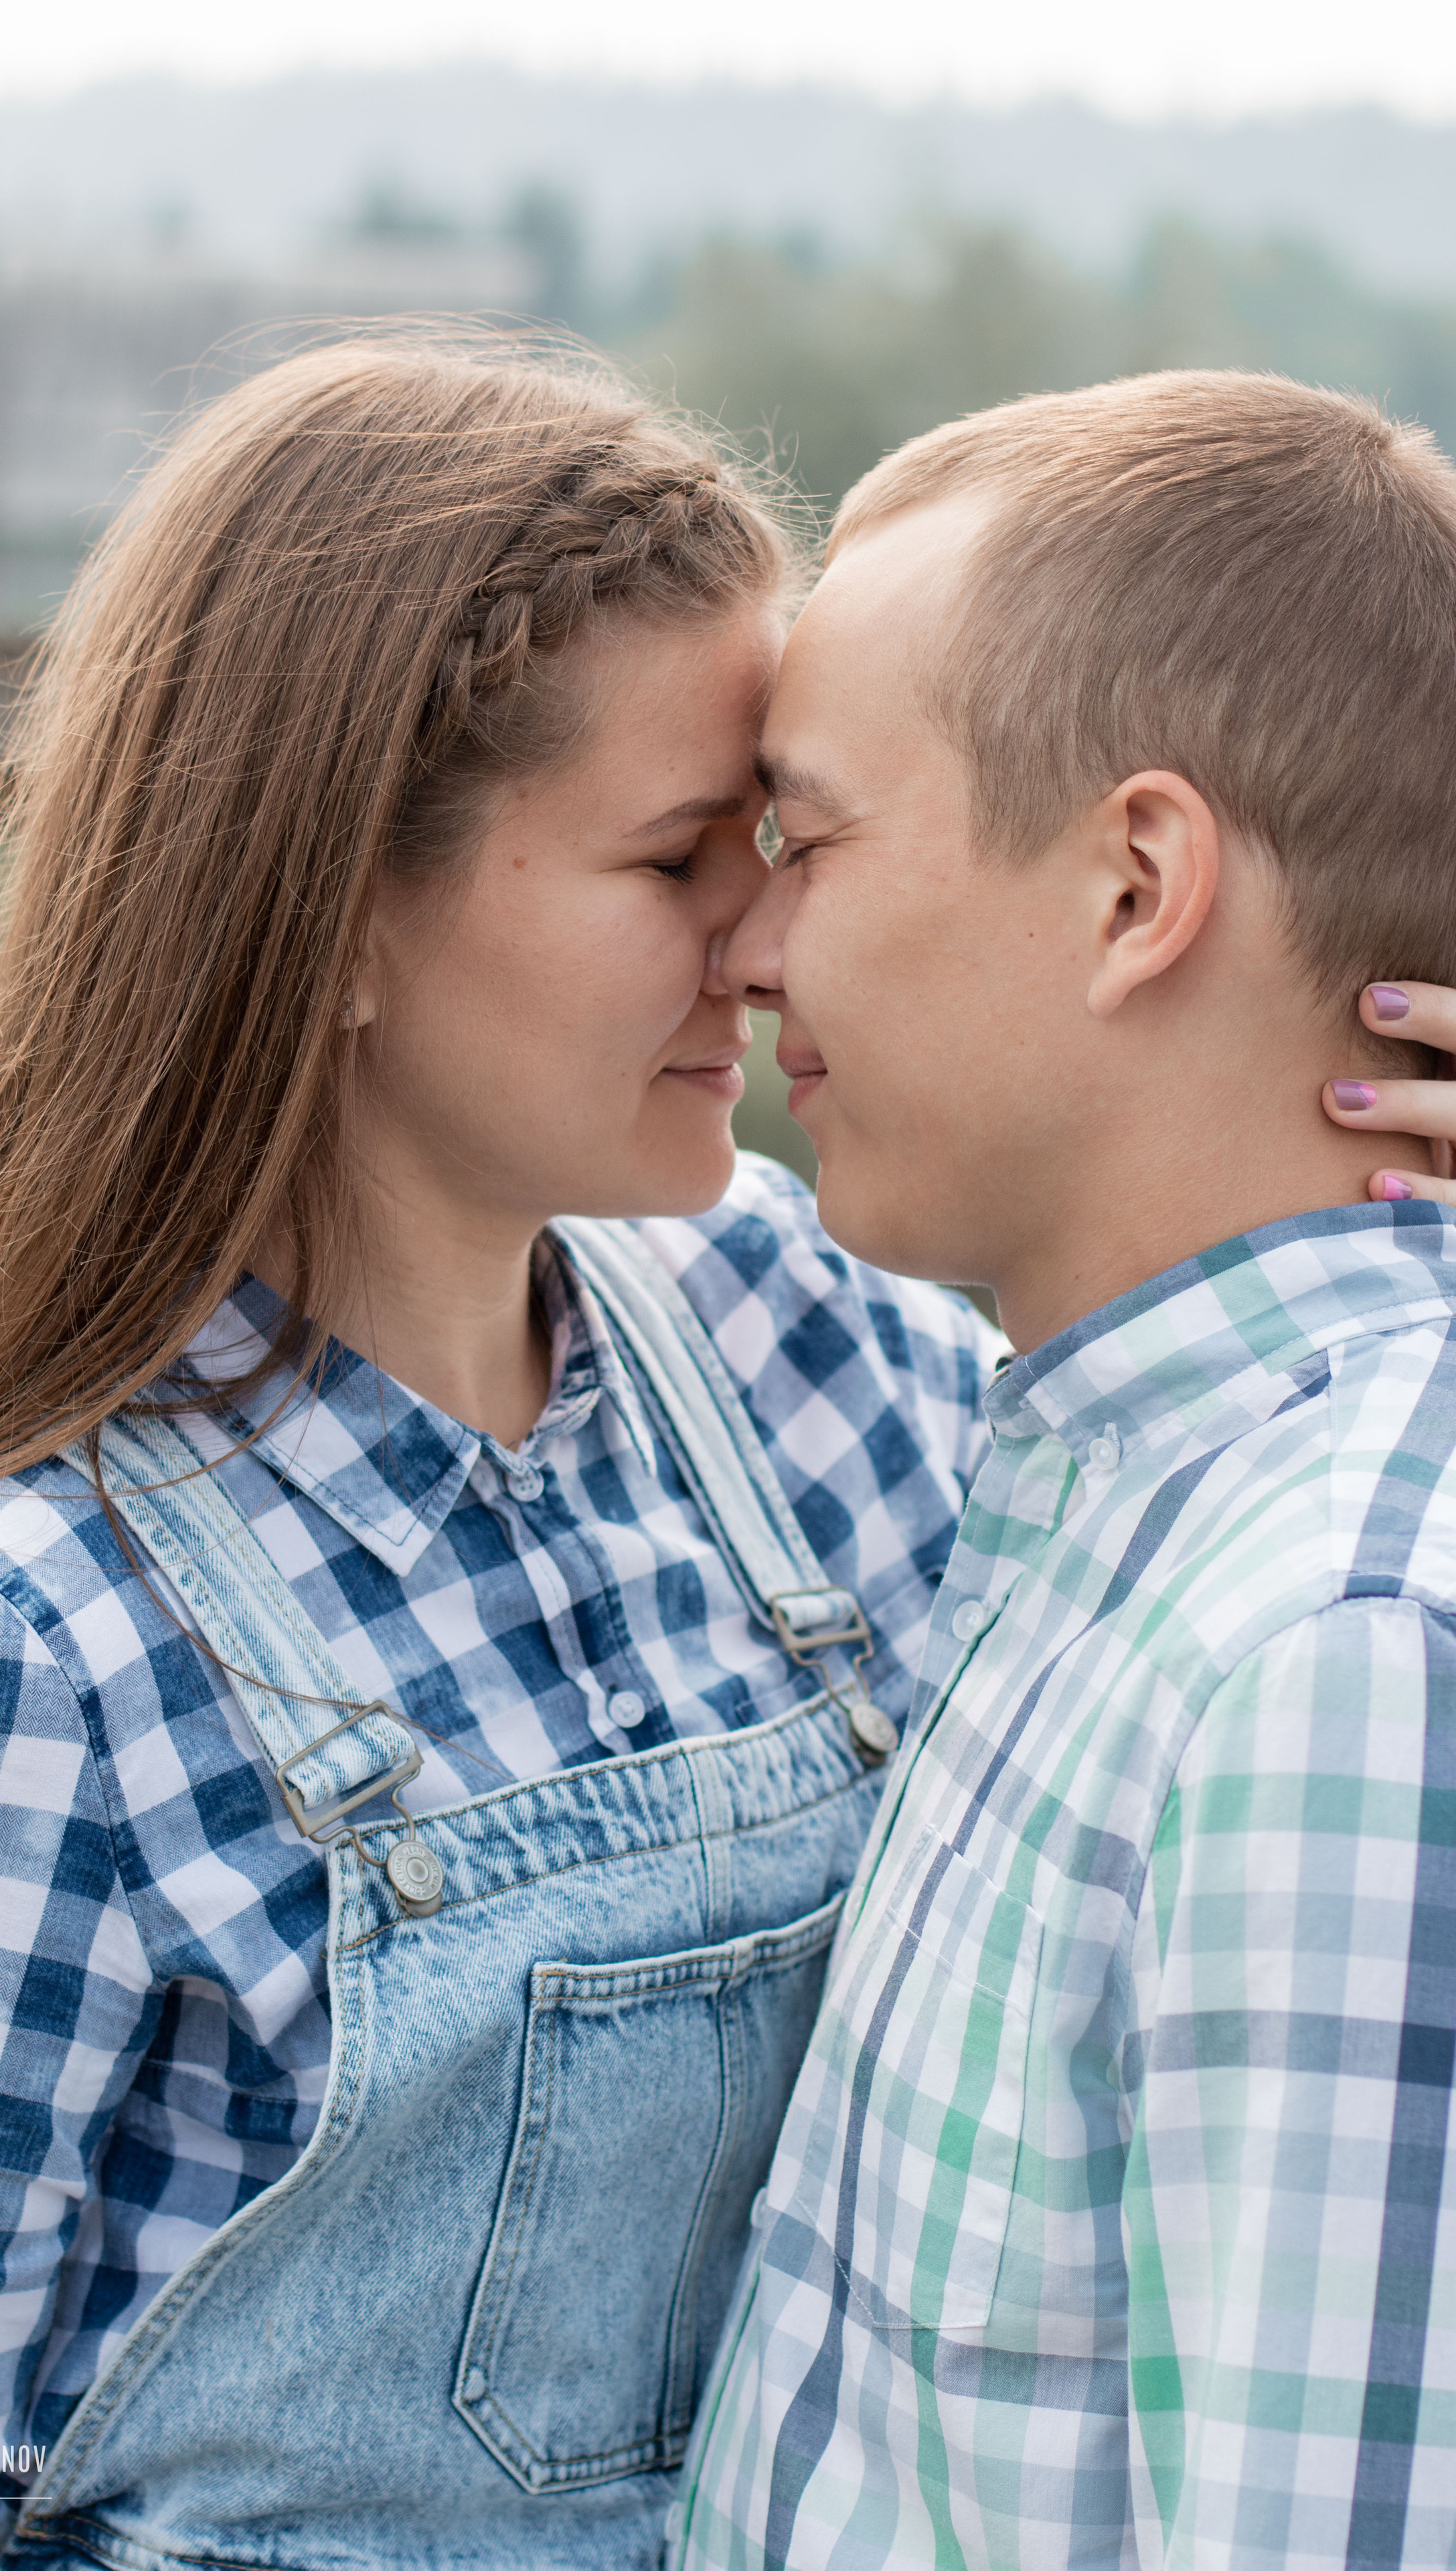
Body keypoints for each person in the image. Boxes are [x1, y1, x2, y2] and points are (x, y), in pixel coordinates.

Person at [0, 335, 1005, 2571]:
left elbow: (1250, 1588)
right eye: (677, 860)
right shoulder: (5, 1668)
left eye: (785, 845)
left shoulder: (798, 1337)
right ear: (329, 911)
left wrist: (1356, 1197)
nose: (775, 939)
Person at [671, 371, 1456, 2570]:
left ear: (1135, 886)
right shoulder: (1100, 1496)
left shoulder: (1340, 1663)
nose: (745, 946)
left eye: (802, 843)